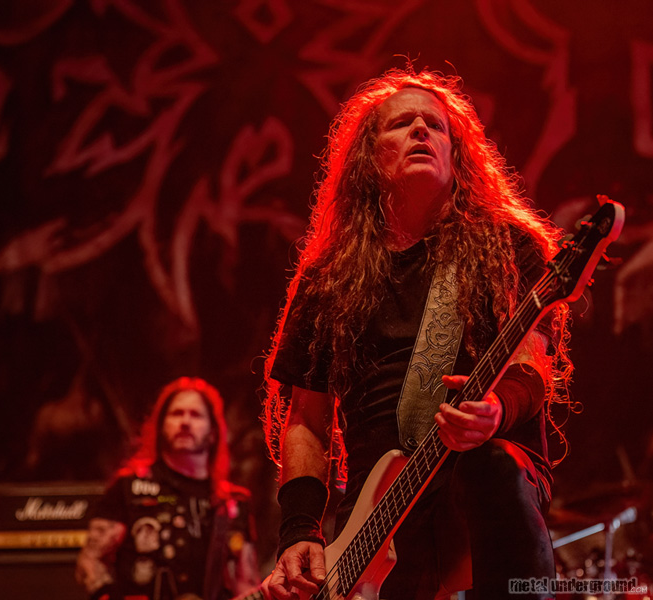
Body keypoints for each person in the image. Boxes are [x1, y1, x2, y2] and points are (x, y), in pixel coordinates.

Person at [262, 67, 572, 600]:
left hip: (480, 489)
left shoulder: (505, 247)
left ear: (457, 155)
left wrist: (496, 410)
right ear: (369, 157)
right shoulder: (329, 279)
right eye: (402, 123)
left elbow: (531, 363)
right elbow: (307, 422)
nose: (422, 130)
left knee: (493, 464)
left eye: (436, 125)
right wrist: (299, 530)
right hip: (374, 521)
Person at [76, 376, 260, 600]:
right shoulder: (129, 487)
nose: (185, 422)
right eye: (177, 413)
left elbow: (246, 582)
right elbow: (90, 561)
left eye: (196, 415)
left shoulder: (233, 503)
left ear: (213, 432)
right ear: (161, 426)